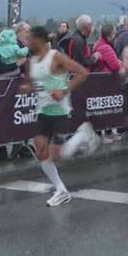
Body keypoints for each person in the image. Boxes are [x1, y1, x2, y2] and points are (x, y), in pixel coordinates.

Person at [22, 26, 99, 206]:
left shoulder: (55, 56)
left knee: (58, 155)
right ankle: (61, 190)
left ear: (40, 40)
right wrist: (28, 87)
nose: (27, 42)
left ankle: (83, 135)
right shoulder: (31, 61)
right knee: (40, 151)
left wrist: (64, 91)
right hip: (42, 111)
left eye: (30, 38)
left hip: (61, 111)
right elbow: (33, 82)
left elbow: (82, 72)